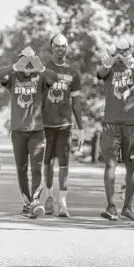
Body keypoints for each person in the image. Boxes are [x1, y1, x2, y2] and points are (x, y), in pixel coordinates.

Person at [0, 46, 58, 219]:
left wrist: (41, 67)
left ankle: (35, 202)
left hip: (37, 131)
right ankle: (26, 203)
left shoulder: (41, 77)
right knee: (21, 170)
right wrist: (16, 66)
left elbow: (55, 77)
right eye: (25, 60)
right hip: (18, 132)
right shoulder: (14, 77)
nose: (28, 64)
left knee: (36, 169)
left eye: (31, 60)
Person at [96, 38, 134, 221]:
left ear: (130, 51)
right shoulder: (109, 67)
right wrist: (109, 62)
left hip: (132, 124)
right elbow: (101, 73)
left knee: (131, 165)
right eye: (118, 50)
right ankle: (110, 206)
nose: (121, 54)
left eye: (124, 51)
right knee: (110, 164)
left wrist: (129, 63)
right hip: (111, 123)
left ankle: (128, 207)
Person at [41, 34, 84, 218]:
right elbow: (35, 98)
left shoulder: (73, 73)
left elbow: (77, 103)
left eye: (63, 46)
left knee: (64, 164)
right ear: (51, 47)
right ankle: (49, 197)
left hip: (65, 125)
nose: (60, 49)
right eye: (57, 45)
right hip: (45, 124)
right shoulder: (43, 69)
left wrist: (81, 129)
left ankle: (63, 202)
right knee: (48, 162)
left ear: (67, 48)